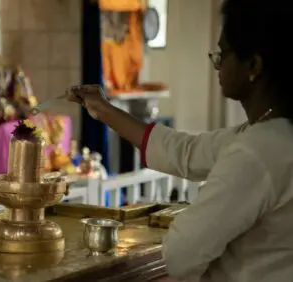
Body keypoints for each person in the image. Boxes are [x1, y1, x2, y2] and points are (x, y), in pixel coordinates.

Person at [66, 0, 293, 281]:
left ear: (254, 65)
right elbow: (186, 151)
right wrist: (104, 109)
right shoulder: (269, 133)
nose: (217, 64)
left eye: (224, 53)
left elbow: (181, 253)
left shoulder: (257, 151)